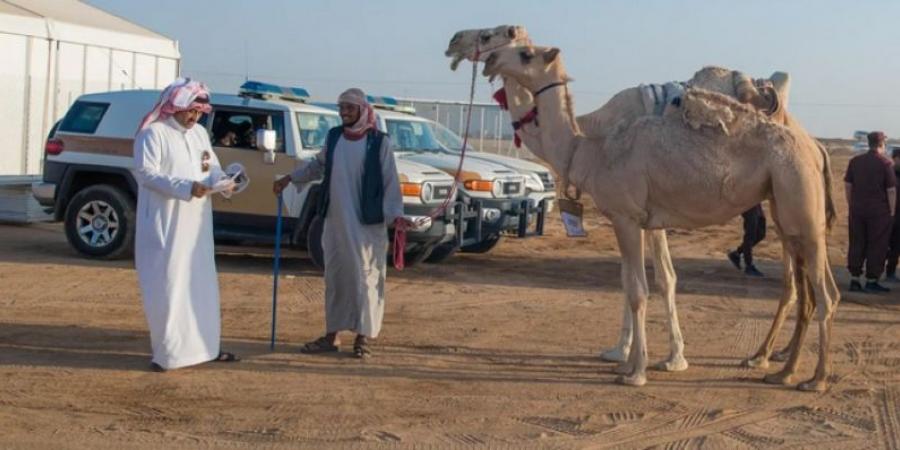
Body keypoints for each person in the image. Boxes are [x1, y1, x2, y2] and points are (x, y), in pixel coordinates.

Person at [273, 88, 406, 359]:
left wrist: (396, 215)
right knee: (336, 278)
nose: (344, 113)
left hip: (366, 226)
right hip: (335, 222)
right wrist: (291, 178)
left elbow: (390, 180)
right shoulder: (334, 137)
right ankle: (332, 335)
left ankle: (363, 337)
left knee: (366, 279)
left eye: (349, 108)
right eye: (341, 108)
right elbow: (318, 165)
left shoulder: (378, 142)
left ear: (362, 110)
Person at [133, 78, 239, 372]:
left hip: (197, 226)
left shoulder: (200, 134)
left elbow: (211, 167)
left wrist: (224, 183)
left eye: (199, 112)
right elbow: (146, 174)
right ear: (174, 107)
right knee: (170, 286)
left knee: (201, 285)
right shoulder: (153, 134)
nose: (194, 117)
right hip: (165, 224)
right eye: (190, 111)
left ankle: (206, 348)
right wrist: (186, 187)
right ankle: (169, 355)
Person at [845, 131, 897, 293]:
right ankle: (871, 280)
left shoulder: (855, 161)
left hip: (857, 210)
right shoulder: (885, 164)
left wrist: (851, 204)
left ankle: (854, 279)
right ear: (882, 144)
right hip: (879, 212)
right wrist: (892, 211)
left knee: (857, 242)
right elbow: (891, 190)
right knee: (877, 244)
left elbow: (848, 185)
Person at [727, 204, 767, 277]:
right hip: (748, 203)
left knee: (761, 233)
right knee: (750, 235)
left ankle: (737, 253)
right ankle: (749, 266)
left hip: (757, 204)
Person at [885, 147, 900, 282]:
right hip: (888, 215)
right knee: (885, 245)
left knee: (896, 246)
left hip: (896, 216)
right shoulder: (888, 172)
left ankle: (890, 272)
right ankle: (878, 274)